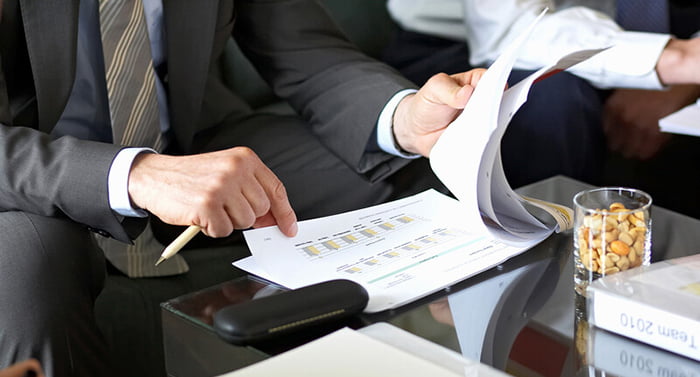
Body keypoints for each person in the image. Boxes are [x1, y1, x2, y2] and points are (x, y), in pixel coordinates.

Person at [0, 0, 486, 376]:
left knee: (411, 176)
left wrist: (404, 120)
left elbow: (306, 50)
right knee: (32, 274)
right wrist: (133, 175)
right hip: (23, 179)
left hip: (187, 141)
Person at [383, 0, 700, 187]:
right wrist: (671, 60)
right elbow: (511, 27)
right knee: (551, 105)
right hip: (476, 43)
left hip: (677, 33)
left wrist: (685, 83)